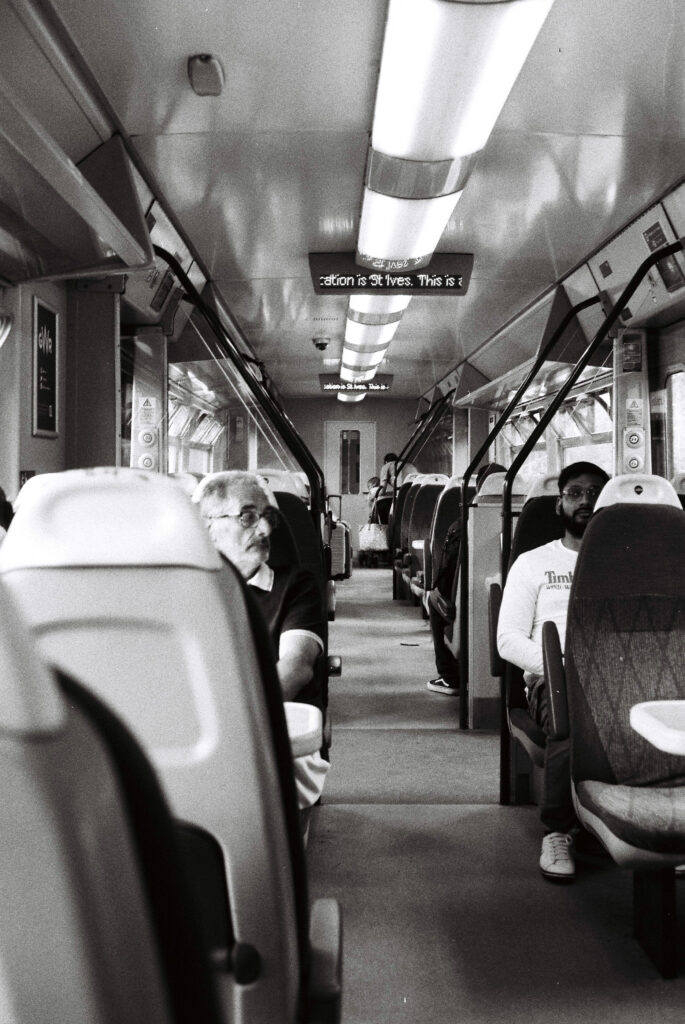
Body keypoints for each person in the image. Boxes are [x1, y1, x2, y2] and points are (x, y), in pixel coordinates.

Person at [192, 471, 328, 819]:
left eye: (269, 518)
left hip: (271, 731)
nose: (265, 530)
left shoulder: (297, 587)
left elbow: (295, 667)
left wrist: (228, 729)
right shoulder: (184, 589)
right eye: (248, 517)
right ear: (206, 525)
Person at [497, 461, 609, 881]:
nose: (586, 500)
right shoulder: (533, 562)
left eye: (595, 492)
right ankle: (559, 830)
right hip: (554, 678)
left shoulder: (626, 560)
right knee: (573, 721)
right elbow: (507, 640)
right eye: (575, 492)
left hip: (620, 675)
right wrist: (560, 668)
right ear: (559, 504)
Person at [426, 463, 505, 695]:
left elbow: (447, 577)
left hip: (468, 605)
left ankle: (450, 677)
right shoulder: (532, 518)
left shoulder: (464, 525)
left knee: (433, 599)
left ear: (479, 487)